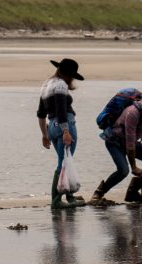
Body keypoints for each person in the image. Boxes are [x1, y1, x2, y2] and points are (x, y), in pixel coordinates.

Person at [90, 97, 142, 204]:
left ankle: (132, 193)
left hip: (131, 142)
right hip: (115, 141)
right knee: (123, 171)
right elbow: (130, 143)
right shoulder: (133, 113)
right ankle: (99, 192)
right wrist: (133, 167)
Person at [37, 58, 85, 209]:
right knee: (63, 163)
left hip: (51, 126)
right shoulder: (61, 85)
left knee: (66, 161)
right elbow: (61, 110)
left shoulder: (47, 84)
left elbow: (40, 113)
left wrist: (45, 134)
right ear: (69, 75)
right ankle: (56, 200)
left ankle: (70, 197)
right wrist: (66, 131)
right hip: (65, 125)